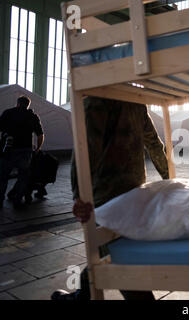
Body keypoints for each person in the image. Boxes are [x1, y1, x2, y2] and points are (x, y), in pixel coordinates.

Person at [51, 97, 169, 300]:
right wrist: (170, 178)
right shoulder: (136, 104)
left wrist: (79, 195)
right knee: (107, 252)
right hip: (134, 195)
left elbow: (85, 150)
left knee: (118, 264)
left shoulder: (96, 101)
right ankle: (82, 295)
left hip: (105, 199)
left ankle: (82, 297)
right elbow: (154, 144)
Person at [0, 96, 44, 209]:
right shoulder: (32, 116)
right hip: (25, 150)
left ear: (17, 103)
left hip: (8, 149)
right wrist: (38, 148)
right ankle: (17, 200)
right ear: (28, 105)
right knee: (23, 176)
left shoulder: (8, 113)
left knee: (3, 176)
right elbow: (40, 135)